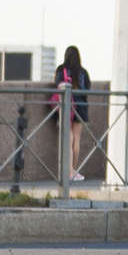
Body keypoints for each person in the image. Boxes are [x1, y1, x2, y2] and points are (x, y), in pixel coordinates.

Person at [48, 45, 92, 182]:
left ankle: (69, 172)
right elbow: (88, 89)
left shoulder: (62, 70)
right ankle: (73, 170)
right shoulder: (83, 72)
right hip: (82, 106)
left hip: (68, 105)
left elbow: (57, 85)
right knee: (76, 139)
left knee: (69, 138)